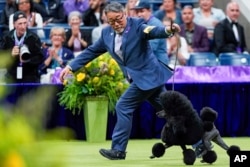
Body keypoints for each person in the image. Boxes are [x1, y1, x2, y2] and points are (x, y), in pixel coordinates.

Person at [59, 2, 180, 160]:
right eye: (111, 21)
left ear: (125, 14)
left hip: (148, 76)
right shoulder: (106, 34)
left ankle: (118, 150)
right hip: (145, 79)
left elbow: (153, 31)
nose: (115, 24)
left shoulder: (137, 25)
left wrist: (168, 30)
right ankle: (201, 142)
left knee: (123, 106)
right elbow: (91, 51)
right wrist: (71, 66)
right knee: (172, 113)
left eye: (118, 19)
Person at [0, 11, 44, 83]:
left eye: (25, 23)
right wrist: (10, 55)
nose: (23, 27)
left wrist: (28, 60)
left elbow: (40, 57)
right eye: (20, 24)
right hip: (11, 76)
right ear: (14, 24)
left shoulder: (34, 38)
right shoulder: (6, 38)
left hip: (30, 76)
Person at [132, 1, 169, 65]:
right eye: (137, 12)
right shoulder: (142, 24)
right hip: (149, 63)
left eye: (142, 11)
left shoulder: (155, 24)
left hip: (159, 63)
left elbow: (152, 47)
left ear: (150, 10)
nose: (139, 14)